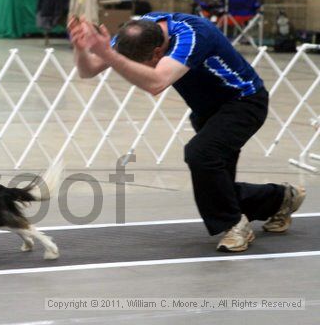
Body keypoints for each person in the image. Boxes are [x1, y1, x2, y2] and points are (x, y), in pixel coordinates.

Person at [68, 13, 306, 252]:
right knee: (216, 185)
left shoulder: (192, 35)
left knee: (200, 154)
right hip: (206, 110)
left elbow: (156, 83)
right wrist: (81, 48)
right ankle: (282, 198)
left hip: (244, 102)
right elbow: (88, 71)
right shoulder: (137, 32)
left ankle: (235, 225)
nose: (137, 70)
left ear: (157, 53)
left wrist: (107, 54)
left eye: (143, 64)